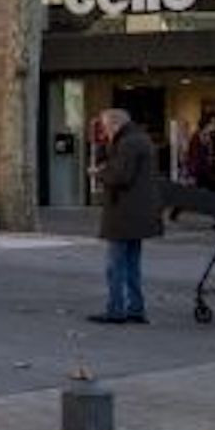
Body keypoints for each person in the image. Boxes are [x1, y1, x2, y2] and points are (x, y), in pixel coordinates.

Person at [89, 109, 163, 325]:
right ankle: (135, 308)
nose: (103, 131)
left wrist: (98, 173)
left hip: (124, 212)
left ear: (114, 124)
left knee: (115, 264)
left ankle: (116, 309)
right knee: (131, 263)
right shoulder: (139, 139)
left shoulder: (128, 143)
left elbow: (121, 176)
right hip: (138, 212)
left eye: (104, 126)